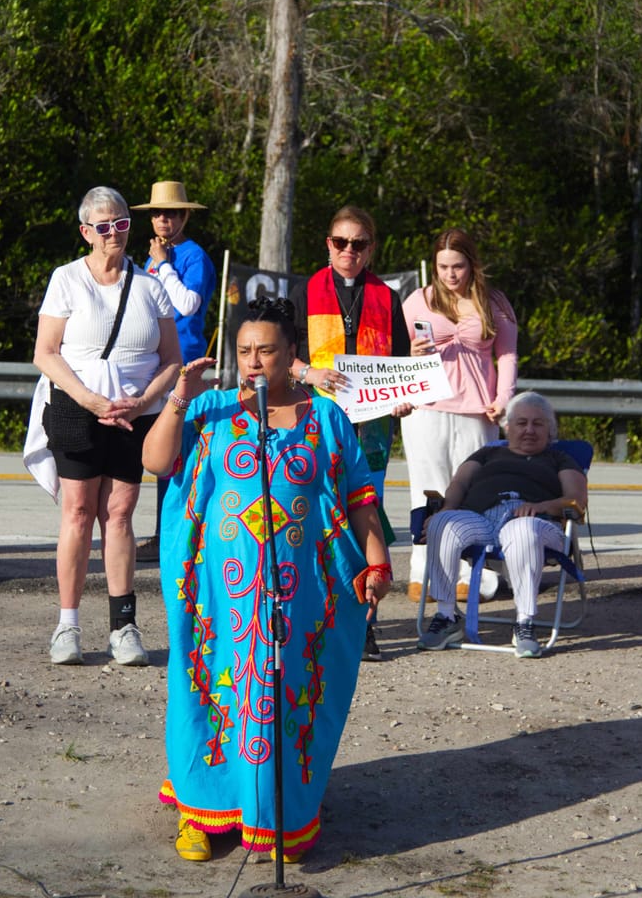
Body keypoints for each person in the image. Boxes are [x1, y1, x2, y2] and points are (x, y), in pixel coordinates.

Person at [142, 297, 392, 863]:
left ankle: (276, 812)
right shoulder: (208, 410)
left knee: (286, 695)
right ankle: (200, 813)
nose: (254, 362)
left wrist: (376, 562)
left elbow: (360, 500)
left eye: (267, 350)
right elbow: (156, 462)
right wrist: (180, 395)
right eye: (244, 351)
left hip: (297, 594)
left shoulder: (325, 417)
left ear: (292, 354)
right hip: (216, 595)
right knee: (208, 690)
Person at [27, 186, 181, 666]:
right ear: (85, 232)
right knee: (76, 511)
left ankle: (124, 625)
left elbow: (172, 360)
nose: (114, 233)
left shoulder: (151, 285)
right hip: (77, 405)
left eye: (121, 223)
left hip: (134, 412)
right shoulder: (67, 279)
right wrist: (90, 400)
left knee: (119, 513)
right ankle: (67, 625)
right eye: (103, 226)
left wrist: (142, 403)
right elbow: (45, 352)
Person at [289, 205, 411, 660]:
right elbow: (282, 355)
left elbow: (401, 364)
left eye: (358, 244)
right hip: (317, 421)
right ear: (328, 245)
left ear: (371, 249)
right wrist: (309, 373)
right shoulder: (305, 292)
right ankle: (312, 618)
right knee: (316, 519)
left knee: (366, 521)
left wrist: (403, 397)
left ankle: (364, 623)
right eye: (341, 242)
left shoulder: (387, 297)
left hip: (373, 428)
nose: (349, 252)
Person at [415, 392, 587, 659]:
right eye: (521, 423)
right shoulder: (489, 452)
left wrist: (541, 507)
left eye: (538, 424)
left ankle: (524, 623)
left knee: (522, 531)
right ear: (508, 427)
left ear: (550, 430)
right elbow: (459, 483)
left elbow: (576, 499)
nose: (529, 430)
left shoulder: (559, 458)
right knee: (442, 523)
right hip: (481, 518)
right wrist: (447, 508)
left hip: (536, 522)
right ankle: (446, 617)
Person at [400, 227, 518, 601]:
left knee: (471, 494)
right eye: (443, 267)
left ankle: (475, 575)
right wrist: (411, 356)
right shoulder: (419, 299)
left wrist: (504, 398)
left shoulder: (494, 302)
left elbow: (508, 354)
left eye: (458, 266)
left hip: (476, 410)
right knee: (426, 492)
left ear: (472, 264)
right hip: (426, 409)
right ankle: (426, 572)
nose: (451, 275)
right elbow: (396, 354)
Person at [131, 181, 216, 564]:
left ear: (184, 217)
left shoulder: (192, 256)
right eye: (157, 212)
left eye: (171, 212)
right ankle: (167, 532)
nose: (163, 218)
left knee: (180, 451)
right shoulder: (153, 256)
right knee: (161, 451)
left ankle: (181, 533)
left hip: (184, 365)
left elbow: (187, 303)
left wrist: (163, 264)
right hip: (158, 363)